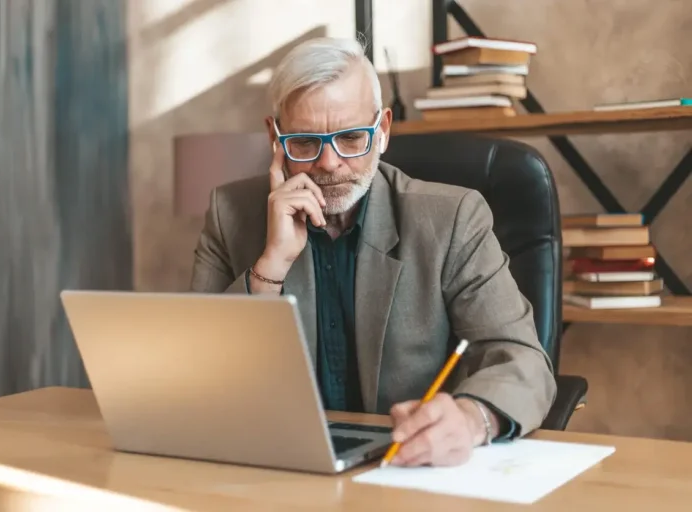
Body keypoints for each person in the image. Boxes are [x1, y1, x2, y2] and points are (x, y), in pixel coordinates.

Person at [190, 37, 556, 467]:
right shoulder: (229, 213)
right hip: (276, 467)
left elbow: (524, 361)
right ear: (275, 136)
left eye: (350, 137)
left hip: (406, 467)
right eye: (305, 142)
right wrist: (270, 268)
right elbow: (198, 377)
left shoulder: (453, 218)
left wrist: (472, 417)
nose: (329, 162)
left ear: (382, 130)